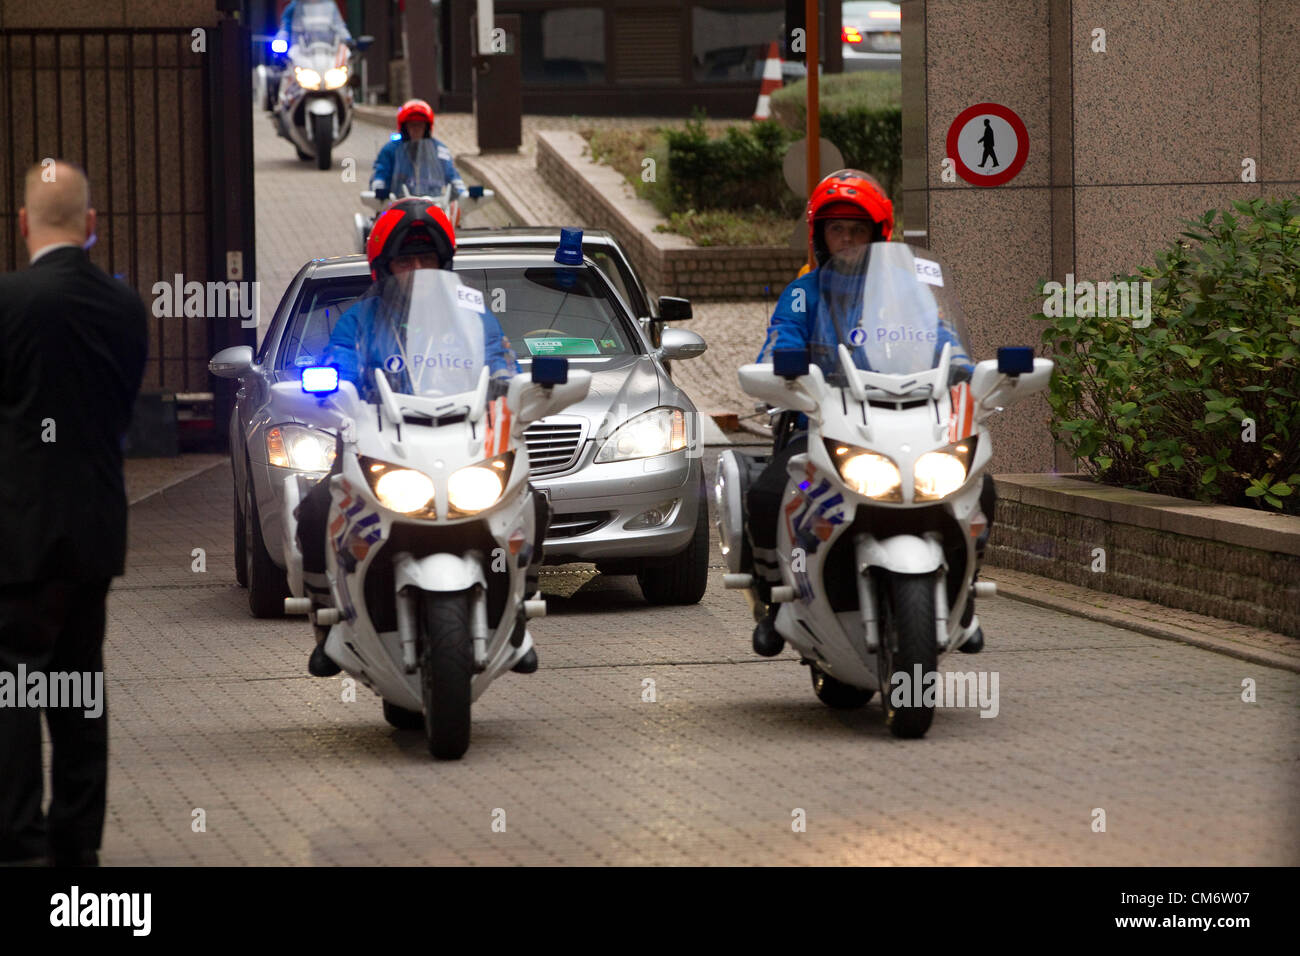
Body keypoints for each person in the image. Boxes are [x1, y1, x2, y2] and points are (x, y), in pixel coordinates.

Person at [295, 198, 545, 677]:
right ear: (382, 268)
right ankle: (326, 623)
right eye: (404, 261)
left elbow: (500, 361)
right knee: (313, 508)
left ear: (441, 264)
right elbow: (339, 363)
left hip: (461, 438)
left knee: (531, 500)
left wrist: (515, 387)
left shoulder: (471, 316)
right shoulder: (359, 320)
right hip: (381, 439)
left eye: (424, 260)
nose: (414, 269)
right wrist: (330, 385)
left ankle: (519, 612)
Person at [746, 169, 991, 658]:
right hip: (820, 420)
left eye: (858, 229)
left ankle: (965, 596)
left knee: (978, 481)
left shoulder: (905, 292)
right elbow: (780, 342)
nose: (848, 239)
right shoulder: (804, 293)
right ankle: (775, 599)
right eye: (837, 229)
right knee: (768, 492)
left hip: (905, 418)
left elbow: (939, 336)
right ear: (820, 236)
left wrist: (963, 368)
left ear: (878, 235)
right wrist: (779, 372)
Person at [0, 161, 147, 867]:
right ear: (91, 227)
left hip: (17, 530)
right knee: (79, 678)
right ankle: (76, 842)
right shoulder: (124, 309)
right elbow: (118, 410)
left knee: (15, 681)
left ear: (22, 224)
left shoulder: (9, 302)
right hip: (94, 528)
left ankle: (20, 838)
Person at [371, 100, 469, 204]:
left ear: (427, 127)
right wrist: (378, 191)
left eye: (420, 125)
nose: (416, 129)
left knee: (455, 219)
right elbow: (380, 173)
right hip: (399, 207)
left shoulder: (439, 149)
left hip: (434, 206)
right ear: (404, 126)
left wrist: (463, 193)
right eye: (412, 125)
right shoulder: (390, 149)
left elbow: (452, 174)